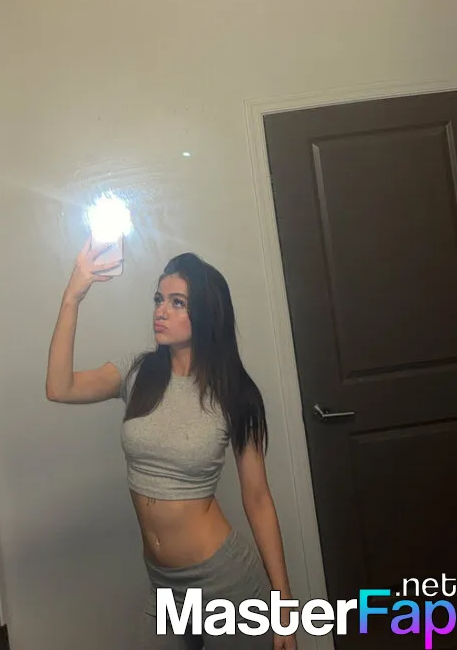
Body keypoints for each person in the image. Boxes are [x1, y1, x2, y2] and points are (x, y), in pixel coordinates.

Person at [46, 238, 297, 649]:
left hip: (224, 582)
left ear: (206, 314)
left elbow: (257, 499)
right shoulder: (138, 373)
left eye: (177, 302)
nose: (160, 311)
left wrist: (283, 607)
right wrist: (73, 295)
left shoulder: (236, 394)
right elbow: (60, 388)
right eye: (158, 299)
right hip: (164, 585)